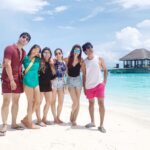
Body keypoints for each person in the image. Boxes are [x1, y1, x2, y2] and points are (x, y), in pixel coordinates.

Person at [0, 32, 31, 136]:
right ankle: (4, 124)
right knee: (6, 101)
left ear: (27, 42)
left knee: (16, 102)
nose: (24, 39)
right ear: (19, 37)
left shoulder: (24, 52)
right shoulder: (9, 48)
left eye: (27, 39)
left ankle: (13, 123)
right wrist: (12, 80)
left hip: (18, 79)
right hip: (8, 79)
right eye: (23, 37)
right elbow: (7, 64)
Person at [82, 42, 108, 133]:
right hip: (89, 86)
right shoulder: (84, 62)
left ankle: (101, 125)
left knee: (101, 103)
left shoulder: (99, 59)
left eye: (91, 47)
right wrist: (84, 87)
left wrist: (104, 82)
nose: (90, 49)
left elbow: (105, 70)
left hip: (99, 85)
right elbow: (84, 75)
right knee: (91, 104)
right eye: (88, 48)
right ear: (85, 51)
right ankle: (92, 122)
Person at [21, 44, 41, 129]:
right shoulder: (25, 58)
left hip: (36, 81)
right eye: (35, 49)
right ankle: (29, 123)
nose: (36, 51)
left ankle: (26, 118)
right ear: (32, 49)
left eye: (38, 50)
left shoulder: (38, 59)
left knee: (37, 102)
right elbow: (17, 66)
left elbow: (47, 62)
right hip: (27, 81)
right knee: (30, 102)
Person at [36, 47, 56, 126]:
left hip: (48, 85)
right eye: (45, 52)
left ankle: (44, 118)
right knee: (39, 103)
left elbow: (53, 76)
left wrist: (52, 65)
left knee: (48, 102)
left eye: (48, 53)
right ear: (42, 53)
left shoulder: (51, 63)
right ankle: (38, 119)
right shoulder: (39, 62)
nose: (47, 54)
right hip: (40, 85)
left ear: (50, 54)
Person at [64, 44, 83, 126]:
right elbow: (58, 61)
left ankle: (74, 119)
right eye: (75, 50)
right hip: (70, 81)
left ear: (80, 52)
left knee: (78, 102)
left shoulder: (81, 60)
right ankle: (72, 112)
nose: (77, 52)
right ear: (72, 51)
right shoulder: (68, 59)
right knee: (74, 101)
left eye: (78, 50)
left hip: (78, 80)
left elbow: (84, 70)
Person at [51, 48, 66, 124]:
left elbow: (65, 73)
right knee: (53, 101)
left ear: (62, 54)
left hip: (62, 82)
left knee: (61, 102)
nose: (58, 55)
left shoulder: (64, 62)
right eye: (56, 54)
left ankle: (58, 117)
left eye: (59, 53)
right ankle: (55, 118)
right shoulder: (53, 62)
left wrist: (65, 84)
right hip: (54, 82)